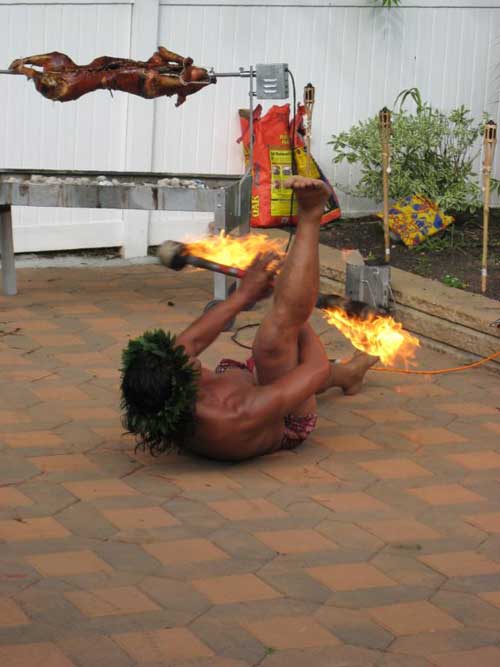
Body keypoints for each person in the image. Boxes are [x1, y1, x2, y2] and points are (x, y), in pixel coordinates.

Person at [121, 176, 377, 461]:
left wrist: (244, 295)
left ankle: (350, 374)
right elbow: (315, 369)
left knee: (275, 346)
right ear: (183, 392)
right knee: (273, 343)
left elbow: (192, 340)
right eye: (182, 362)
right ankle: (310, 214)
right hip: (283, 420)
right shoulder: (233, 417)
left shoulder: (163, 388)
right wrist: (294, 314)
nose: (185, 354)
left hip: (245, 385)